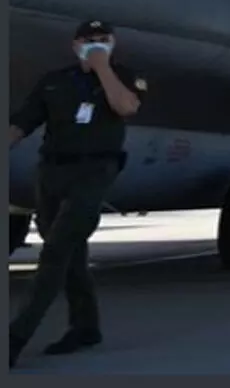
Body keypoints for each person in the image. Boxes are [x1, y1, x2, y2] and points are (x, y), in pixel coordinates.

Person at [9, 20, 145, 368]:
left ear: (113, 43)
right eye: (89, 40)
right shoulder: (54, 82)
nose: (96, 44)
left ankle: (15, 338)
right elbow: (23, 121)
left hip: (95, 170)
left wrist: (102, 69)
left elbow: (126, 107)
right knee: (71, 253)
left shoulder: (124, 77)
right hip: (53, 171)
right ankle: (86, 327)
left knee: (56, 250)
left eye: (103, 40)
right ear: (75, 45)